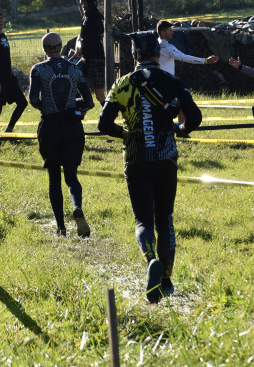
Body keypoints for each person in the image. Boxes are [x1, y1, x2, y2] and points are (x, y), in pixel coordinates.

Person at [98, 32, 202, 303]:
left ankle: (150, 259)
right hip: (165, 157)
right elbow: (195, 118)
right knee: (165, 218)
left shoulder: (120, 84)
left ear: (134, 56)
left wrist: (129, 134)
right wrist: (180, 128)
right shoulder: (173, 81)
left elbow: (103, 125)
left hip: (136, 160)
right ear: (158, 54)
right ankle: (166, 280)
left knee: (143, 220)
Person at [29, 32, 95, 238]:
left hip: (50, 126)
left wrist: (46, 108)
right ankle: (77, 206)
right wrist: (76, 110)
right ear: (60, 47)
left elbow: (32, 99)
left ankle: (61, 227)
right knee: (72, 176)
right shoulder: (74, 69)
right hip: (72, 127)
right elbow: (90, 102)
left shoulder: (38, 69)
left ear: (44, 49)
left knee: (54, 178)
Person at [157, 20, 217, 126]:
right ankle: (182, 131)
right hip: (166, 84)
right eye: (170, 30)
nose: (172, 32)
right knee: (182, 105)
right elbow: (184, 57)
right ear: (163, 33)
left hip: (157, 83)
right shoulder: (167, 47)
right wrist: (205, 61)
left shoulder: (155, 45)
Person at [0, 11, 27, 136]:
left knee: (23, 103)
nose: (1, 21)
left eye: (2, 19)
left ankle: (9, 130)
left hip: (9, 76)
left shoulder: (3, 36)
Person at [76, 0, 107, 104]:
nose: (83, 5)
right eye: (82, 3)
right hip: (86, 58)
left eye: (86, 3)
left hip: (96, 58)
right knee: (73, 77)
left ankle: (107, 114)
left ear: (93, 4)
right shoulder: (85, 18)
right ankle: (79, 111)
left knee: (99, 93)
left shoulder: (96, 16)